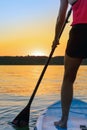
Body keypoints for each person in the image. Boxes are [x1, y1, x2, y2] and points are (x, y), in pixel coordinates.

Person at [52, 0, 87, 128]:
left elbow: (61, 17)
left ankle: (64, 120)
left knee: (68, 78)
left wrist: (56, 38)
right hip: (80, 31)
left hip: (80, 32)